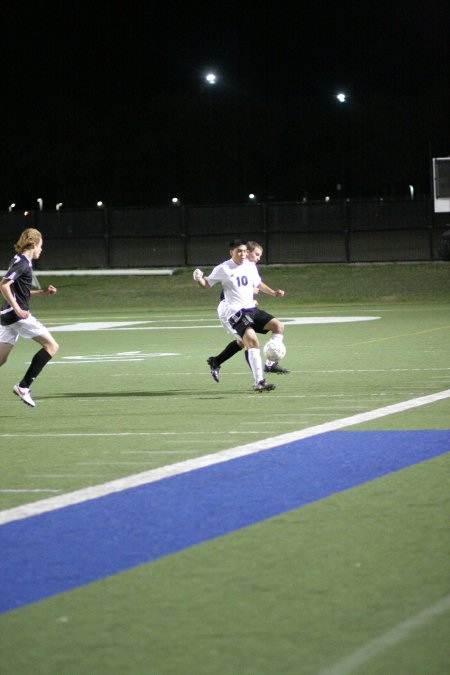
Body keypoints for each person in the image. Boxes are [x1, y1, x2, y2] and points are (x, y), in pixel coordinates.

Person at [193, 239, 284, 392]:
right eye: (238, 251)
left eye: (244, 251)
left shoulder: (250, 266)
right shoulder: (223, 268)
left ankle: (270, 363)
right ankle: (259, 382)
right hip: (236, 312)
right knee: (252, 342)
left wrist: (273, 293)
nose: (242, 254)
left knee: (278, 326)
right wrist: (198, 279)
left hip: (251, 309)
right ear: (231, 252)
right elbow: (206, 284)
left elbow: (258, 284)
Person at [0, 228, 59, 407]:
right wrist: (17, 308)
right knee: (52, 346)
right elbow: (4, 285)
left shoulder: (19, 259)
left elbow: (21, 291)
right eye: (41, 246)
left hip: (7, 316)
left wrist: (43, 292)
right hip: (17, 316)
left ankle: (23, 387)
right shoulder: (23, 264)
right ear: (33, 244)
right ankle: (23, 387)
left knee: (1, 359)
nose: (41, 250)